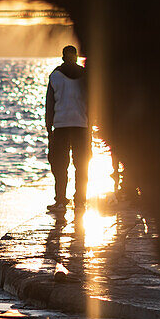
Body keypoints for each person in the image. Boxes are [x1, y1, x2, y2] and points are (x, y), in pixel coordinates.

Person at [45, 45, 90, 211]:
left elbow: (50, 105)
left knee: (59, 165)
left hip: (61, 126)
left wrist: (49, 129)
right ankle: (80, 201)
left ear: (63, 57)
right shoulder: (85, 75)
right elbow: (91, 102)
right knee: (82, 165)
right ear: (76, 57)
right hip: (81, 126)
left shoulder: (55, 75)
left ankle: (61, 201)